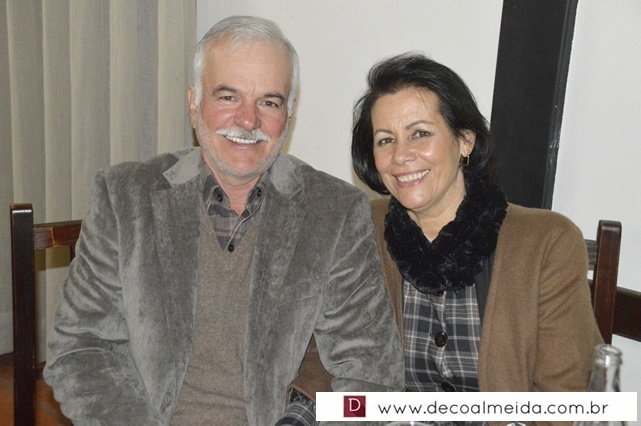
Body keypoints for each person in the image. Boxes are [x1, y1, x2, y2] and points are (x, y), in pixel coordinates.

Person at [44, 16, 404, 425]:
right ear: (193, 103)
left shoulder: (334, 211)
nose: (248, 121)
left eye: (269, 102)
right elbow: (80, 349)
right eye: (228, 97)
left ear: (289, 115)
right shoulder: (125, 197)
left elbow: (371, 372)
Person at [295, 52, 603, 421]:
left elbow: (566, 394)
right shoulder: (357, 228)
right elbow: (324, 356)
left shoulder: (547, 242)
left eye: (420, 134)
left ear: (465, 141)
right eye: (385, 140)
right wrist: (300, 412)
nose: (401, 155)